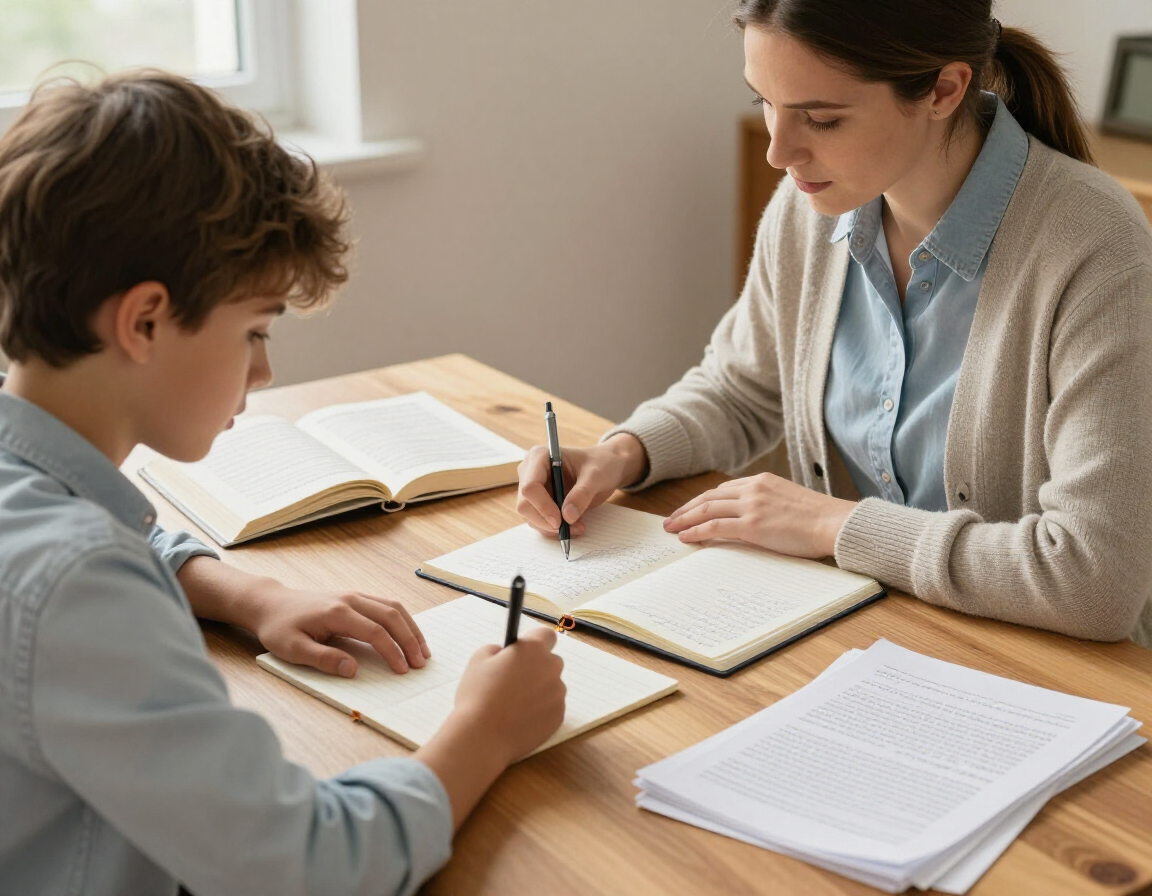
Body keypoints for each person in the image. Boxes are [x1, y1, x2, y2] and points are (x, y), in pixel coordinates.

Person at [0, 71, 565, 896]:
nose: (263, 370)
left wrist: (246, 595)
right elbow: (309, 866)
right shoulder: (79, 586)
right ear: (145, 320)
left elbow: (108, 542)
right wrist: (483, 729)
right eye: (255, 330)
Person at [517, 0, 1152, 646]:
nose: (777, 151)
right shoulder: (808, 210)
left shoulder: (1094, 247)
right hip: (868, 641)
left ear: (944, 88)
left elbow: (1095, 575)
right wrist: (623, 453)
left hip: (1047, 682)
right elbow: (742, 389)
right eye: (765, 101)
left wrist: (832, 526)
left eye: (820, 118)